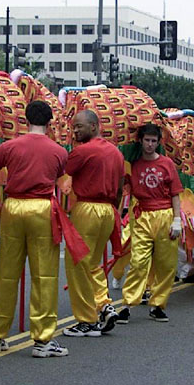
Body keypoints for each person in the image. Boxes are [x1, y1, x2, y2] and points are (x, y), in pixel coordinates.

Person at [0, 101, 71, 358]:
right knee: (44, 275)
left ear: (26, 119)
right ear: (49, 122)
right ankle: (42, 340)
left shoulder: (9, 146)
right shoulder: (58, 151)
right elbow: (61, 177)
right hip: (42, 208)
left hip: (12, 207)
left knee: (7, 273)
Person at [63, 109, 124, 337]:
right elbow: (119, 189)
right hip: (108, 210)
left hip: (87, 209)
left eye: (79, 126)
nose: (75, 131)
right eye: (73, 127)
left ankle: (86, 321)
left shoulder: (82, 151)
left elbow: (62, 172)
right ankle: (104, 305)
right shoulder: (116, 153)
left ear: (94, 126)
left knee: (77, 263)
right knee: (93, 263)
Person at [116, 124, 183, 323]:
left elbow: (175, 194)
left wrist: (177, 220)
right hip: (141, 215)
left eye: (154, 141)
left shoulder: (167, 164)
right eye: (147, 140)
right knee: (138, 262)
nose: (150, 144)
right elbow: (123, 190)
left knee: (166, 264)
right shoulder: (132, 165)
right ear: (141, 141)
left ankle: (157, 305)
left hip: (165, 215)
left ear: (158, 142)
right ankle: (127, 305)